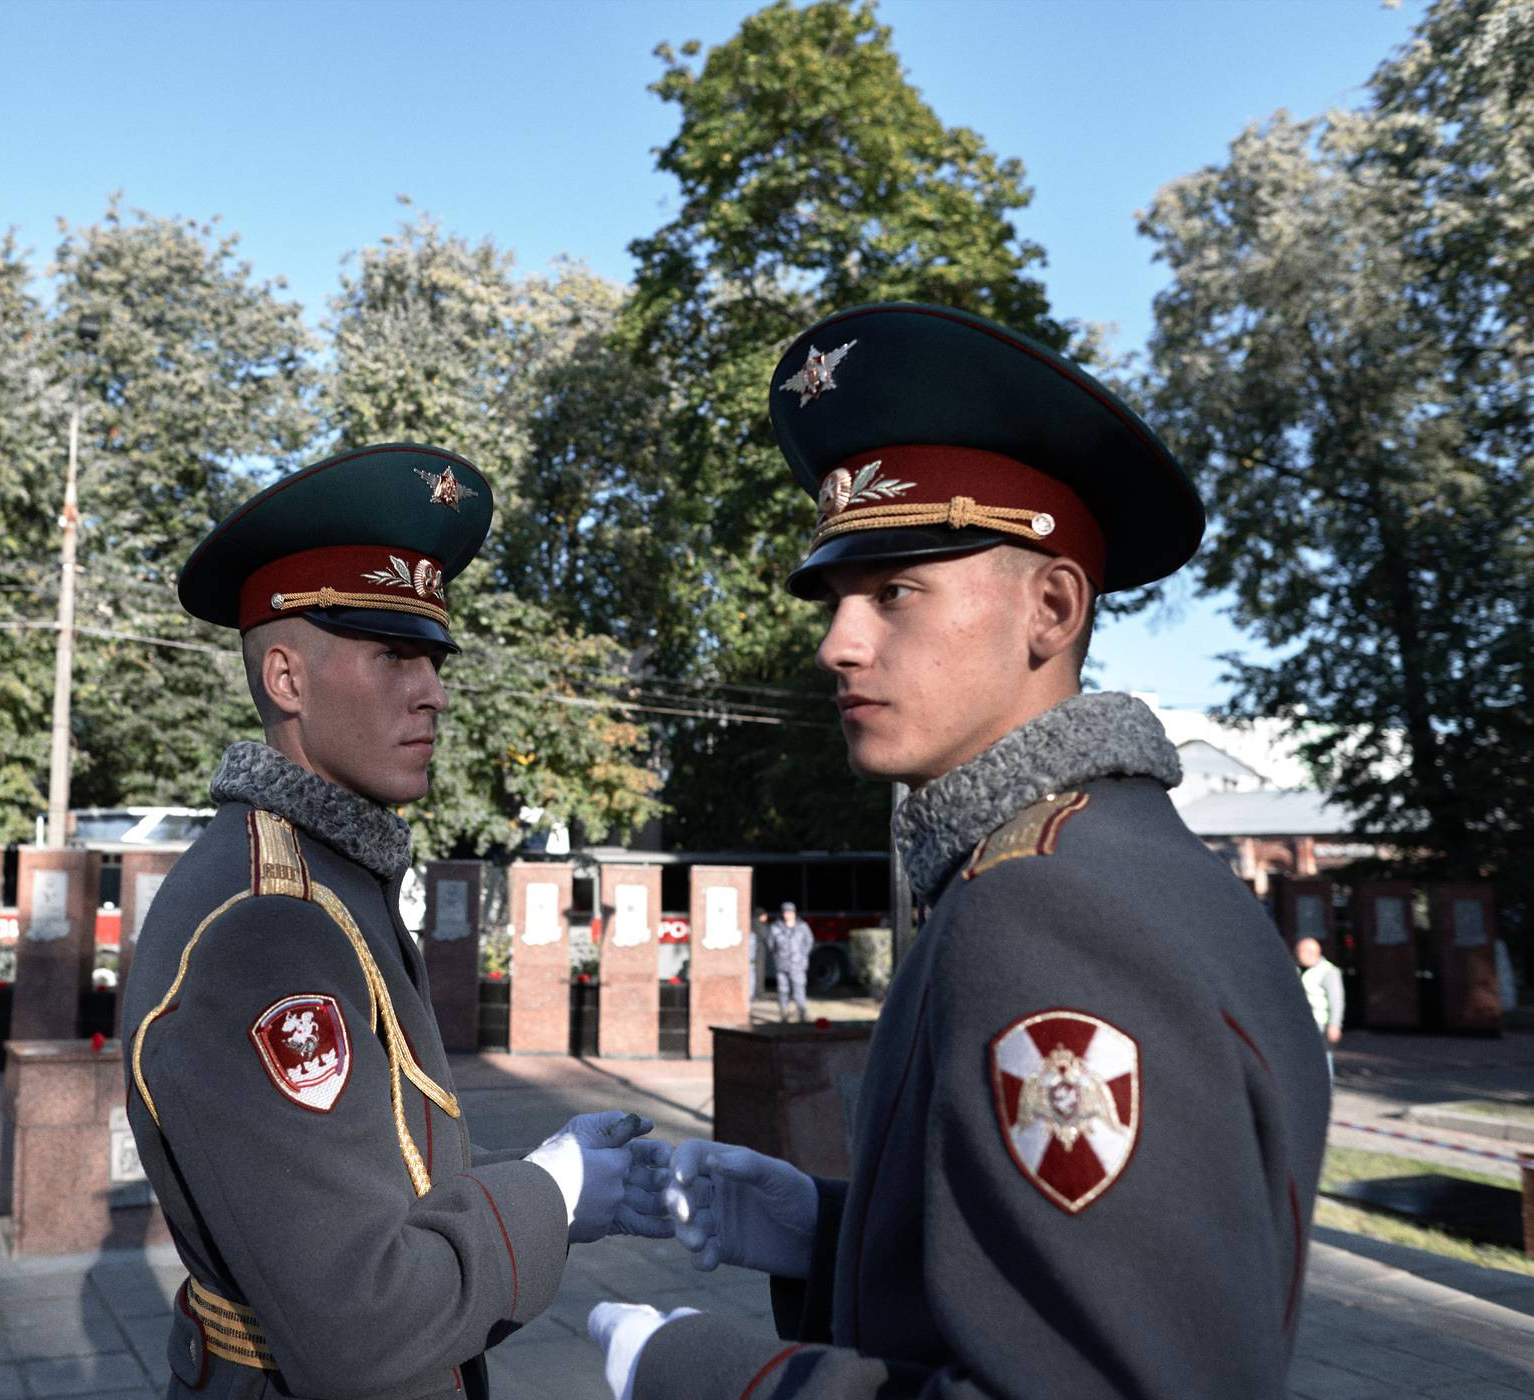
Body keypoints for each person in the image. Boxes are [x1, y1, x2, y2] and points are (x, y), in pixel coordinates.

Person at [589, 304, 1331, 1399]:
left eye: (895, 589)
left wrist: (711, 1377)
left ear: (1052, 607)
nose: (837, 643)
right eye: (837, 598)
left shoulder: (1047, 907)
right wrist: (829, 1234)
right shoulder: (1125, 861)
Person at [121, 443, 671, 1399]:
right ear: (286, 680)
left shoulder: (327, 876)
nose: (435, 692)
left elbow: (378, 1169)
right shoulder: (266, 924)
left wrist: (550, 1179)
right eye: (394, 655)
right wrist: (553, 1193)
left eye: (434, 658)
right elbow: (361, 1320)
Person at [1295, 936, 1345, 1075]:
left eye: (1299, 951)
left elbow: (1336, 1000)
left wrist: (1334, 1025)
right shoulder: (1296, 969)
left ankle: (1325, 1086)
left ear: (1311, 952)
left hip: (1320, 1023)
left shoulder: (1328, 971)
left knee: (1323, 1059)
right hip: (1301, 1023)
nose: (1296, 954)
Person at [765, 902, 813, 1022]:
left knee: (799, 989)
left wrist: (802, 956)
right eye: (785, 912)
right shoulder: (775, 927)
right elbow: (771, 944)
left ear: (794, 913)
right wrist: (778, 955)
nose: (787, 915)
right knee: (783, 990)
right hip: (782, 964)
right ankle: (784, 1013)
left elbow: (809, 941)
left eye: (790, 912)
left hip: (798, 964)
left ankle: (802, 1012)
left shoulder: (802, 926)